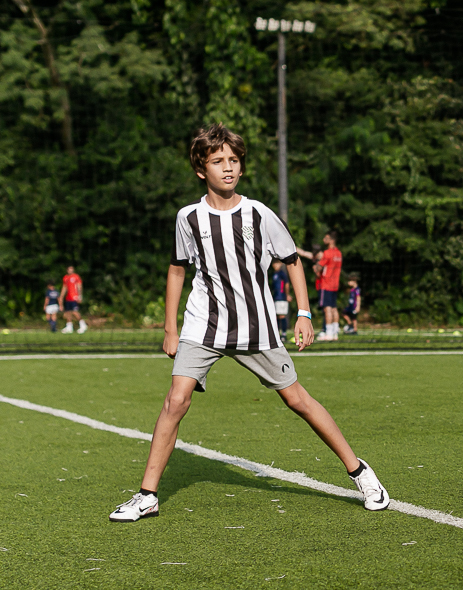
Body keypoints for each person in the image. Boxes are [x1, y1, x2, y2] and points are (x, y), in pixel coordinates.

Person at [109, 123, 390, 523]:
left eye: (234, 161)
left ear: (241, 167)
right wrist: (170, 327)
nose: (228, 168)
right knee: (175, 400)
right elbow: (176, 270)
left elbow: (292, 260)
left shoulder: (259, 213)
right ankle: (147, 495)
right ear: (200, 169)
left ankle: (361, 473)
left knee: (297, 400)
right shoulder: (187, 218)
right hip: (202, 325)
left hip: (255, 326)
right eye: (218, 161)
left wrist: (305, 313)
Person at [297, 231, 341, 341]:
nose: (323, 240)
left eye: (326, 238)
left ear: (331, 240)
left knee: (327, 309)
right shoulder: (338, 253)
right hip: (335, 284)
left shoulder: (327, 253)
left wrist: (315, 267)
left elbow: (318, 268)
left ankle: (329, 333)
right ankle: (335, 332)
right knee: (334, 308)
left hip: (326, 284)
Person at [61, 265, 87, 333]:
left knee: (75, 312)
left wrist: (80, 296)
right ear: (67, 270)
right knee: (68, 312)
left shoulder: (76, 277)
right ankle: (69, 327)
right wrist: (61, 296)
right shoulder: (65, 278)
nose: (71, 270)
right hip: (68, 297)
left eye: (72, 269)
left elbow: (79, 286)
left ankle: (83, 325)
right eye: (70, 269)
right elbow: (64, 287)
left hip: (74, 297)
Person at [270, 259, 292, 337]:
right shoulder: (274, 274)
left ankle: (283, 333)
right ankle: (278, 333)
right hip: (276, 297)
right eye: (274, 264)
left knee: (282, 315)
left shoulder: (282, 273)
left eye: (277, 263)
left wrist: (287, 295)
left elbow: (286, 284)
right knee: (277, 315)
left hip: (282, 296)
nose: (275, 265)